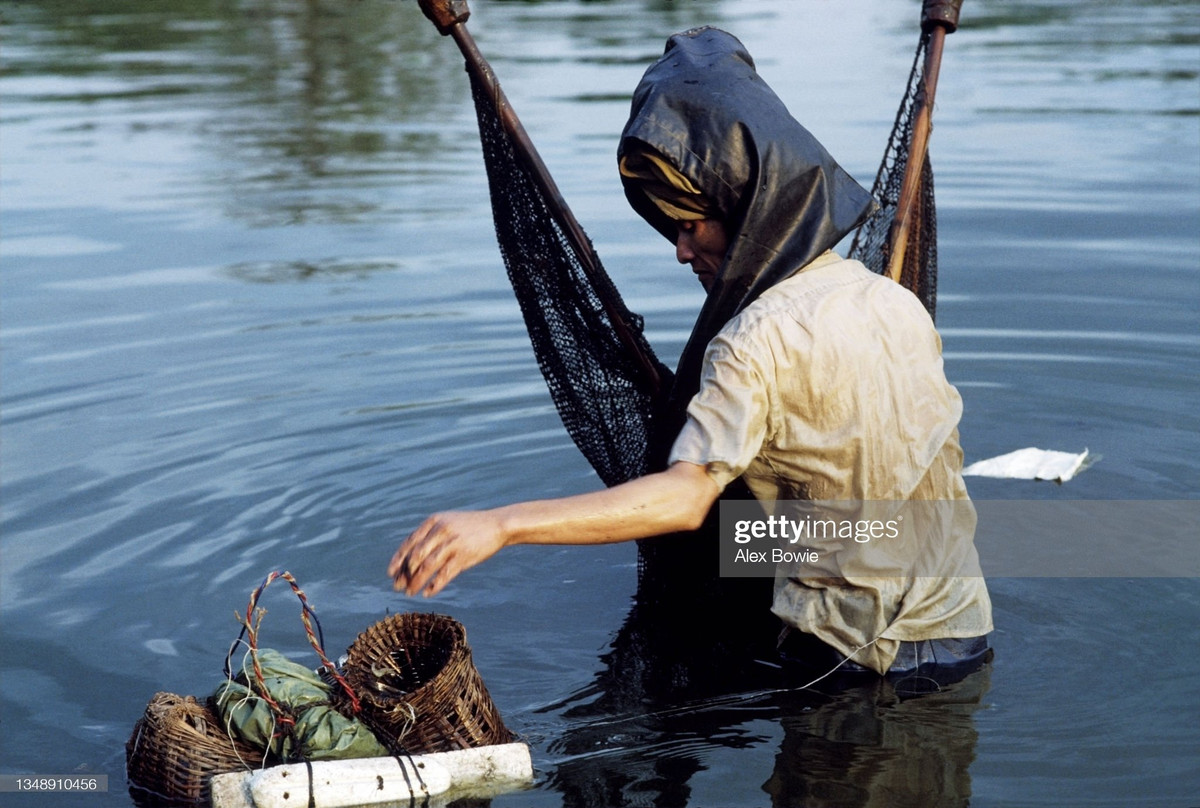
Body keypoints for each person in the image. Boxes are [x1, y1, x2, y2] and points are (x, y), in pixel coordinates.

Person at [389, 27, 991, 679]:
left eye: (690, 223)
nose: (680, 250)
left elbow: (684, 501)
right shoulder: (892, 301)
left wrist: (502, 525)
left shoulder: (752, 339)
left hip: (849, 670)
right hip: (964, 637)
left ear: (747, 204)